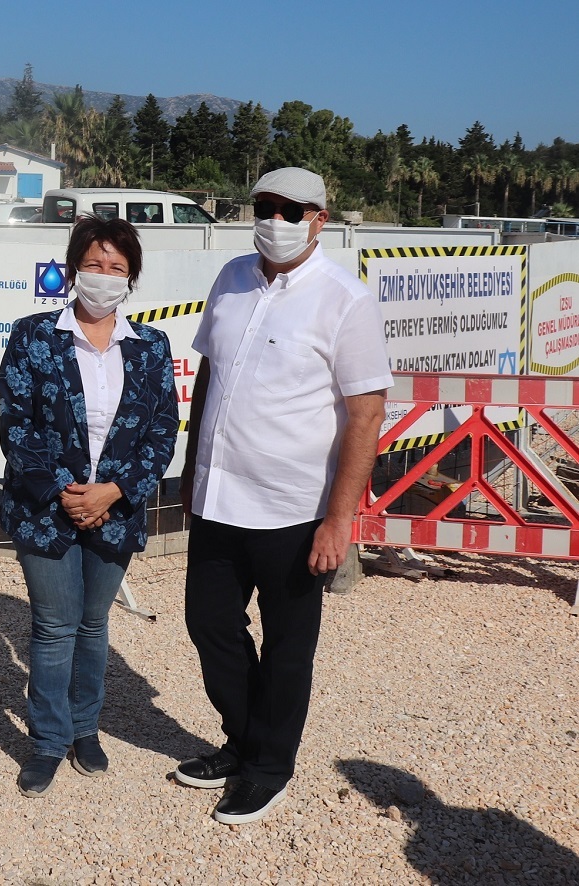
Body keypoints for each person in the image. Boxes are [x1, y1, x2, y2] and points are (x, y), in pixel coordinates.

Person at [175, 167, 393, 824]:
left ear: (319, 219)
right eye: (264, 207)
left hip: (295, 511)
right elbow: (211, 373)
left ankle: (268, 768)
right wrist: (192, 468)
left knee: (287, 647)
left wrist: (339, 521)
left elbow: (365, 415)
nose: (275, 220)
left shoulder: (345, 300)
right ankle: (245, 743)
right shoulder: (231, 278)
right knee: (209, 624)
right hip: (219, 499)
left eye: (290, 211)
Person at [0, 216, 178, 798]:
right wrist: (66, 493)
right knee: (55, 627)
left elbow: (162, 432)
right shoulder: (33, 335)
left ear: (131, 278)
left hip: (117, 510)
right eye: (94, 264)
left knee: (93, 624)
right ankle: (48, 740)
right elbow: (17, 425)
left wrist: (113, 491)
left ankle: (84, 728)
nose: (104, 276)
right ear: (74, 268)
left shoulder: (150, 346)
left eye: (116, 267)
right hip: (45, 509)